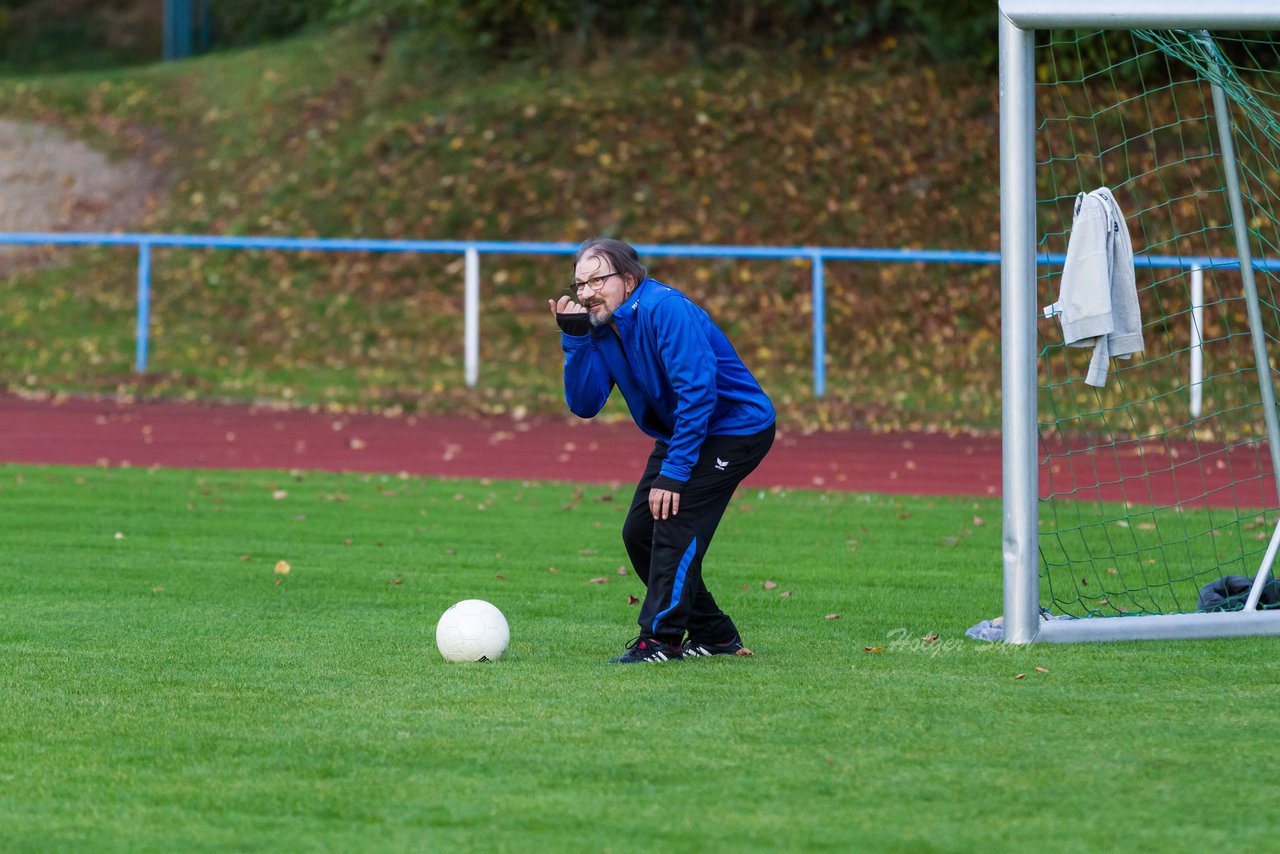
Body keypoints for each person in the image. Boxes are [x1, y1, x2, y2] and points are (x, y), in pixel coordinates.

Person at [547, 237, 776, 663]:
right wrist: (575, 340)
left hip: (734, 428)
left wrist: (674, 474)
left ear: (629, 280)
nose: (586, 292)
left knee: (673, 520)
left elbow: (699, 393)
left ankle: (661, 639)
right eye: (580, 284)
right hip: (683, 431)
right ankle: (715, 634)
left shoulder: (665, 309)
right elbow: (584, 404)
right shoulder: (601, 326)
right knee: (639, 533)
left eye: (598, 280)